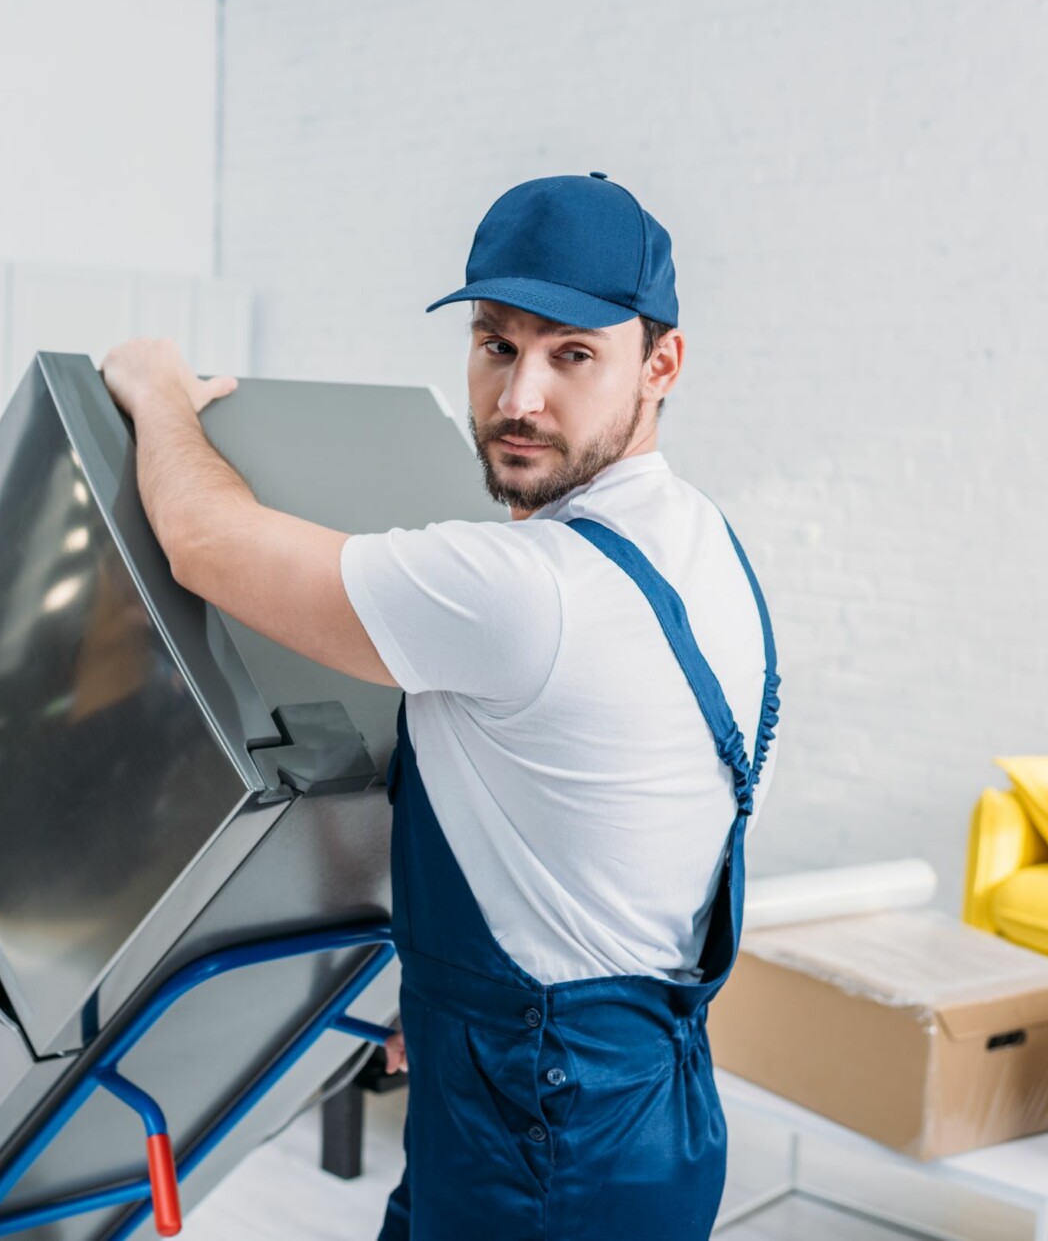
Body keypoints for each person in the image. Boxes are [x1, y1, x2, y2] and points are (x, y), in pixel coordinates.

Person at [100, 172, 780, 1239]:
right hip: (636, 1099)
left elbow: (203, 544)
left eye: (573, 355)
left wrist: (157, 394)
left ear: (663, 363)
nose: (519, 399)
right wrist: (462, 1008)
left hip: (540, 1142)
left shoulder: (526, 590)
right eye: (497, 344)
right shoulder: (706, 546)